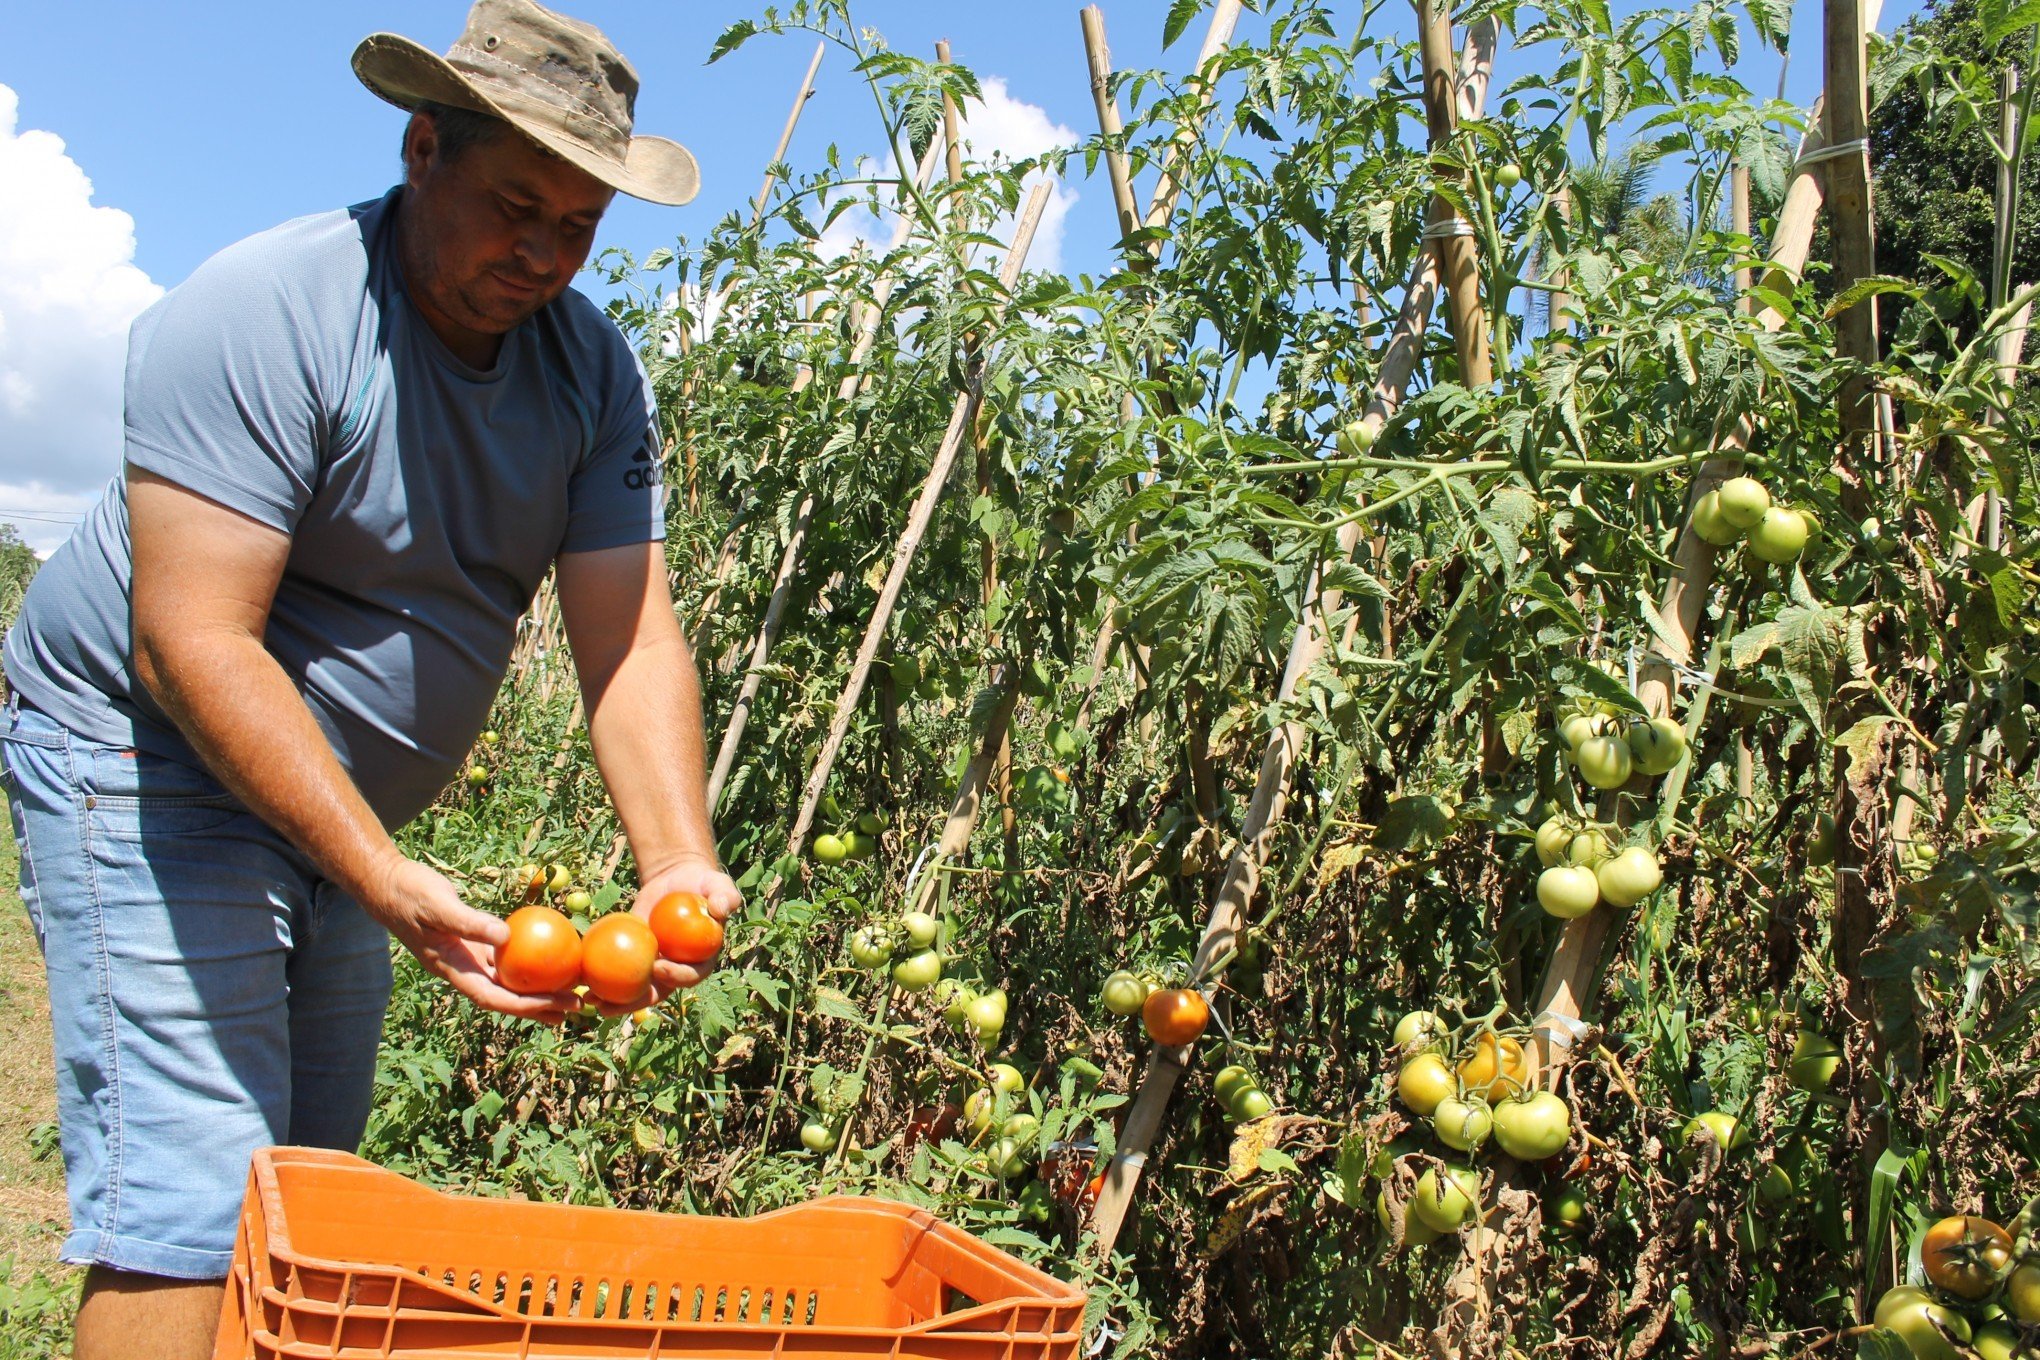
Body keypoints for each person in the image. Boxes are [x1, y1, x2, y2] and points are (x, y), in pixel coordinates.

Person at [0, 4, 737, 1356]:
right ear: (421, 148)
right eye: (517, 203)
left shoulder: (590, 375)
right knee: (196, 1188)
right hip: (141, 748)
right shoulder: (271, 310)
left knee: (302, 1195)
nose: (544, 251)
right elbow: (192, 644)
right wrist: (380, 875)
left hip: (334, 807)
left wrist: (678, 858)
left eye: (578, 225)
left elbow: (626, 635)